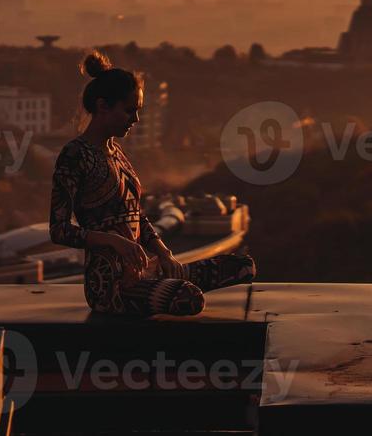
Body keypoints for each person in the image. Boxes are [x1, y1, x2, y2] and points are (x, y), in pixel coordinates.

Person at [49, 51, 255, 316]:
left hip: (147, 270)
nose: (135, 120)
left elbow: (136, 215)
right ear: (102, 106)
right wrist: (115, 242)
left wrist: (164, 252)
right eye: (129, 111)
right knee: (188, 299)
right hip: (111, 285)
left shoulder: (116, 153)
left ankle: (162, 277)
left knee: (242, 267)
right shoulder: (75, 154)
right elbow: (59, 229)